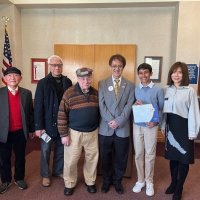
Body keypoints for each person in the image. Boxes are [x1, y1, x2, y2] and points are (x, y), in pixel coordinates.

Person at [161, 62, 200, 200]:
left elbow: (194, 113)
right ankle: (173, 183)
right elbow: (163, 111)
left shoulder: (190, 91)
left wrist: (192, 132)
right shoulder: (166, 89)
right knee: (173, 158)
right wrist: (162, 126)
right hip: (171, 127)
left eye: (179, 72)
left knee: (184, 159)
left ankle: (179, 188)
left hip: (184, 127)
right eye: (173, 72)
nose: (176, 75)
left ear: (184, 74)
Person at [57, 67, 99, 196]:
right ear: (78, 79)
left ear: (91, 78)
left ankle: (90, 181)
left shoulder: (96, 93)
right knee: (71, 160)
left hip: (92, 132)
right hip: (74, 133)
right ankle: (69, 183)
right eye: (82, 78)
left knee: (92, 158)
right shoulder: (69, 93)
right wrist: (64, 134)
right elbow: (62, 114)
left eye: (88, 78)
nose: (86, 81)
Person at [98, 54, 135, 194]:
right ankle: (107, 181)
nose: (117, 68)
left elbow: (129, 106)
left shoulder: (131, 85)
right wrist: (110, 121)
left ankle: (118, 181)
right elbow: (101, 105)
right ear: (110, 67)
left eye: (119, 66)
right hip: (105, 129)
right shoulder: (102, 83)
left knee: (121, 158)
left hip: (122, 129)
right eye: (114, 66)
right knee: (105, 157)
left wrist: (118, 121)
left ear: (123, 67)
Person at [34, 55, 72, 187]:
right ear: (49, 66)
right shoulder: (43, 82)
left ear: (62, 67)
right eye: (54, 65)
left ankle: (57, 171)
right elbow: (38, 106)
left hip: (63, 124)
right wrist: (38, 127)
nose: (57, 67)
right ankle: (45, 175)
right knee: (45, 151)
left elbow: (70, 104)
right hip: (47, 125)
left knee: (61, 150)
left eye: (59, 65)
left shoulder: (68, 82)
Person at [0, 67, 34, 194]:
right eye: (9, 76)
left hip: (20, 131)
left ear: (20, 78)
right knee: (4, 158)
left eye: (15, 75)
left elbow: (31, 114)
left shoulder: (27, 93)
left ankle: (19, 178)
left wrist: (31, 130)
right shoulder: (0, 93)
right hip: (4, 132)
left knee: (20, 157)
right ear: (4, 79)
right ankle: (6, 180)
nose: (12, 78)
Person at [132, 63, 164, 196]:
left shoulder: (158, 90)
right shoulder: (136, 88)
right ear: (138, 74)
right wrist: (135, 104)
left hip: (151, 126)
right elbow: (133, 105)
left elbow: (162, 108)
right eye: (140, 73)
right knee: (138, 154)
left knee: (150, 154)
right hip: (138, 125)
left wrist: (156, 121)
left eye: (146, 72)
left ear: (150, 73)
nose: (143, 75)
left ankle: (149, 181)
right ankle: (140, 180)